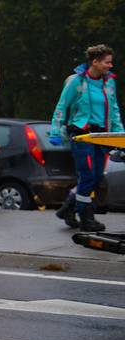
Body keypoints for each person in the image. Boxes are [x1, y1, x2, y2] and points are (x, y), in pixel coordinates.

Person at [49, 44, 120, 232]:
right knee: (87, 175)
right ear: (95, 62)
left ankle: (67, 209)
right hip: (82, 135)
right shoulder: (76, 82)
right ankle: (86, 217)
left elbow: (114, 110)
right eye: (107, 62)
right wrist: (55, 131)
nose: (110, 66)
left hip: (102, 136)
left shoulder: (109, 83)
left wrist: (120, 135)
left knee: (96, 177)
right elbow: (62, 106)